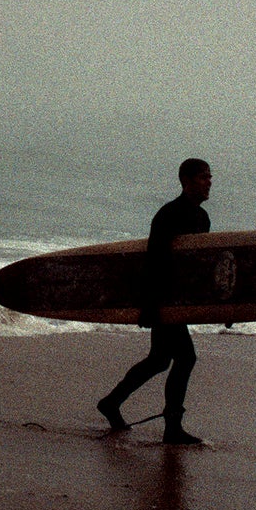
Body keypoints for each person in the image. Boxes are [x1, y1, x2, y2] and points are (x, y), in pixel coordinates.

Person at [98, 158, 210, 445]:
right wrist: (150, 305)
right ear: (186, 181)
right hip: (162, 299)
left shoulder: (202, 218)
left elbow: (199, 265)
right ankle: (172, 427)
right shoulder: (169, 214)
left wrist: (217, 305)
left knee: (160, 360)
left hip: (179, 302)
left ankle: (112, 402)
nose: (209, 182)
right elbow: (154, 260)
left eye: (210, 178)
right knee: (185, 358)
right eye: (203, 177)